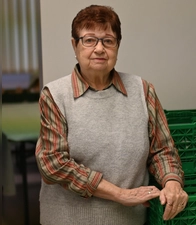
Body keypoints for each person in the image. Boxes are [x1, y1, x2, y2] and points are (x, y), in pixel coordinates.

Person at [35, 5, 188, 225]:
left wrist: (172, 182)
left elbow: (162, 150)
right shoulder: (55, 95)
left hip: (129, 220)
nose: (99, 49)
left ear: (117, 46)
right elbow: (53, 164)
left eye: (108, 40)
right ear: (74, 45)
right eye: (89, 40)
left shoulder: (143, 90)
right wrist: (119, 194)